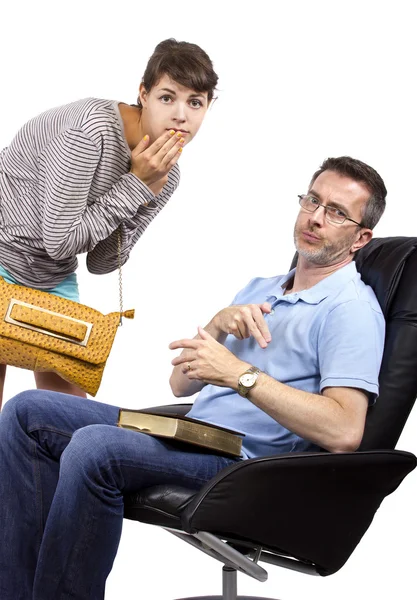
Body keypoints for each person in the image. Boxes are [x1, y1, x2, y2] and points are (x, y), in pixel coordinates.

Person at [0, 156, 387, 599]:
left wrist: (241, 374)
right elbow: (180, 387)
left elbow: (344, 431)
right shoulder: (263, 287)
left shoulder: (350, 311)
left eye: (336, 212)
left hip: (244, 464)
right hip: (190, 434)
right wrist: (218, 325)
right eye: (313, 200)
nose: (316, 218)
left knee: (95, 447)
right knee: (25, 412)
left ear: (360, 238)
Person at [0, 38, 218, 406]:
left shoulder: (164, 174)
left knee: (65, 418)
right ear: (143, 94)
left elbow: (102, 262)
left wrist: (144, 186)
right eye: (168, 97)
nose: (181, 115)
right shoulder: (90, 132)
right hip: (5, 250)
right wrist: (134, 185)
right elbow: (60, 241)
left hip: (50, 274)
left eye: (195, 102)